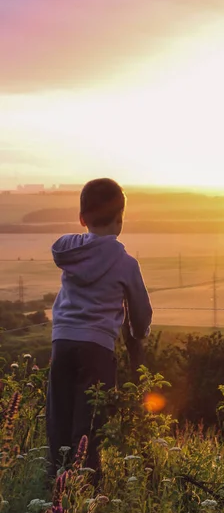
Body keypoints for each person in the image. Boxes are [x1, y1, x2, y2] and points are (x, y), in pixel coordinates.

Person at [46, 178, 152, 482]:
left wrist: (87, 231)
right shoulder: (126, 264)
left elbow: (64, 242)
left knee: (59, 419)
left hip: (62, 342)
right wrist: (139, 335)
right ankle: (87, 488)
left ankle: (56, 480)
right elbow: (141, 314)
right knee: (90, 423)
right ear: (120, 219)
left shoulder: (69, 251)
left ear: (82, 219)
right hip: (98, 348)